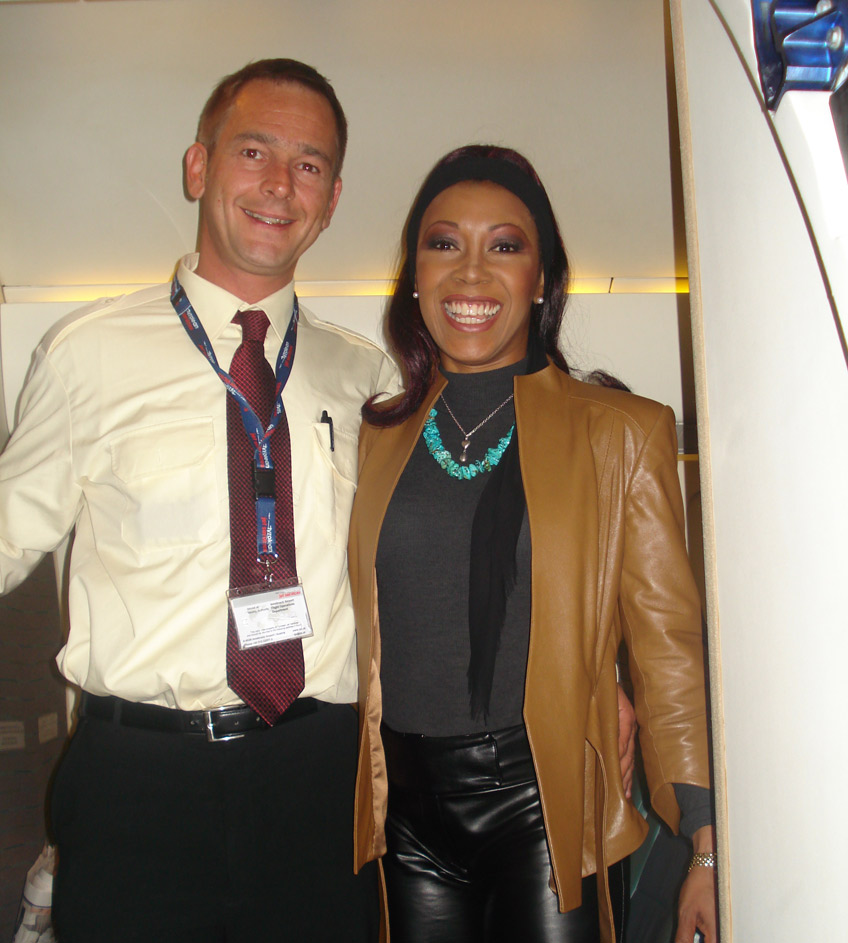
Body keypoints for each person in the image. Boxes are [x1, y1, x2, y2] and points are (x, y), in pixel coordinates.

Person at [0, 59, 397, 942]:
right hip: (138, 783)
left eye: (309, 164)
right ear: (197, 167)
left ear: (332, 199)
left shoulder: (367, 377)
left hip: (317, 780)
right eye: (253, 151)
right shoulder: (86, 354)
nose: (279, 183)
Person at [347, 145, 717, 943]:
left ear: (542, 278)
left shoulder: (620, 432)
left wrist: (706, 841)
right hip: (405, 810)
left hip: (545, 808)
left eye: (505, 246)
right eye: (443, 243)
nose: (471, 272)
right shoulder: (375, 433)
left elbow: (668, 647)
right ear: (414, 274)